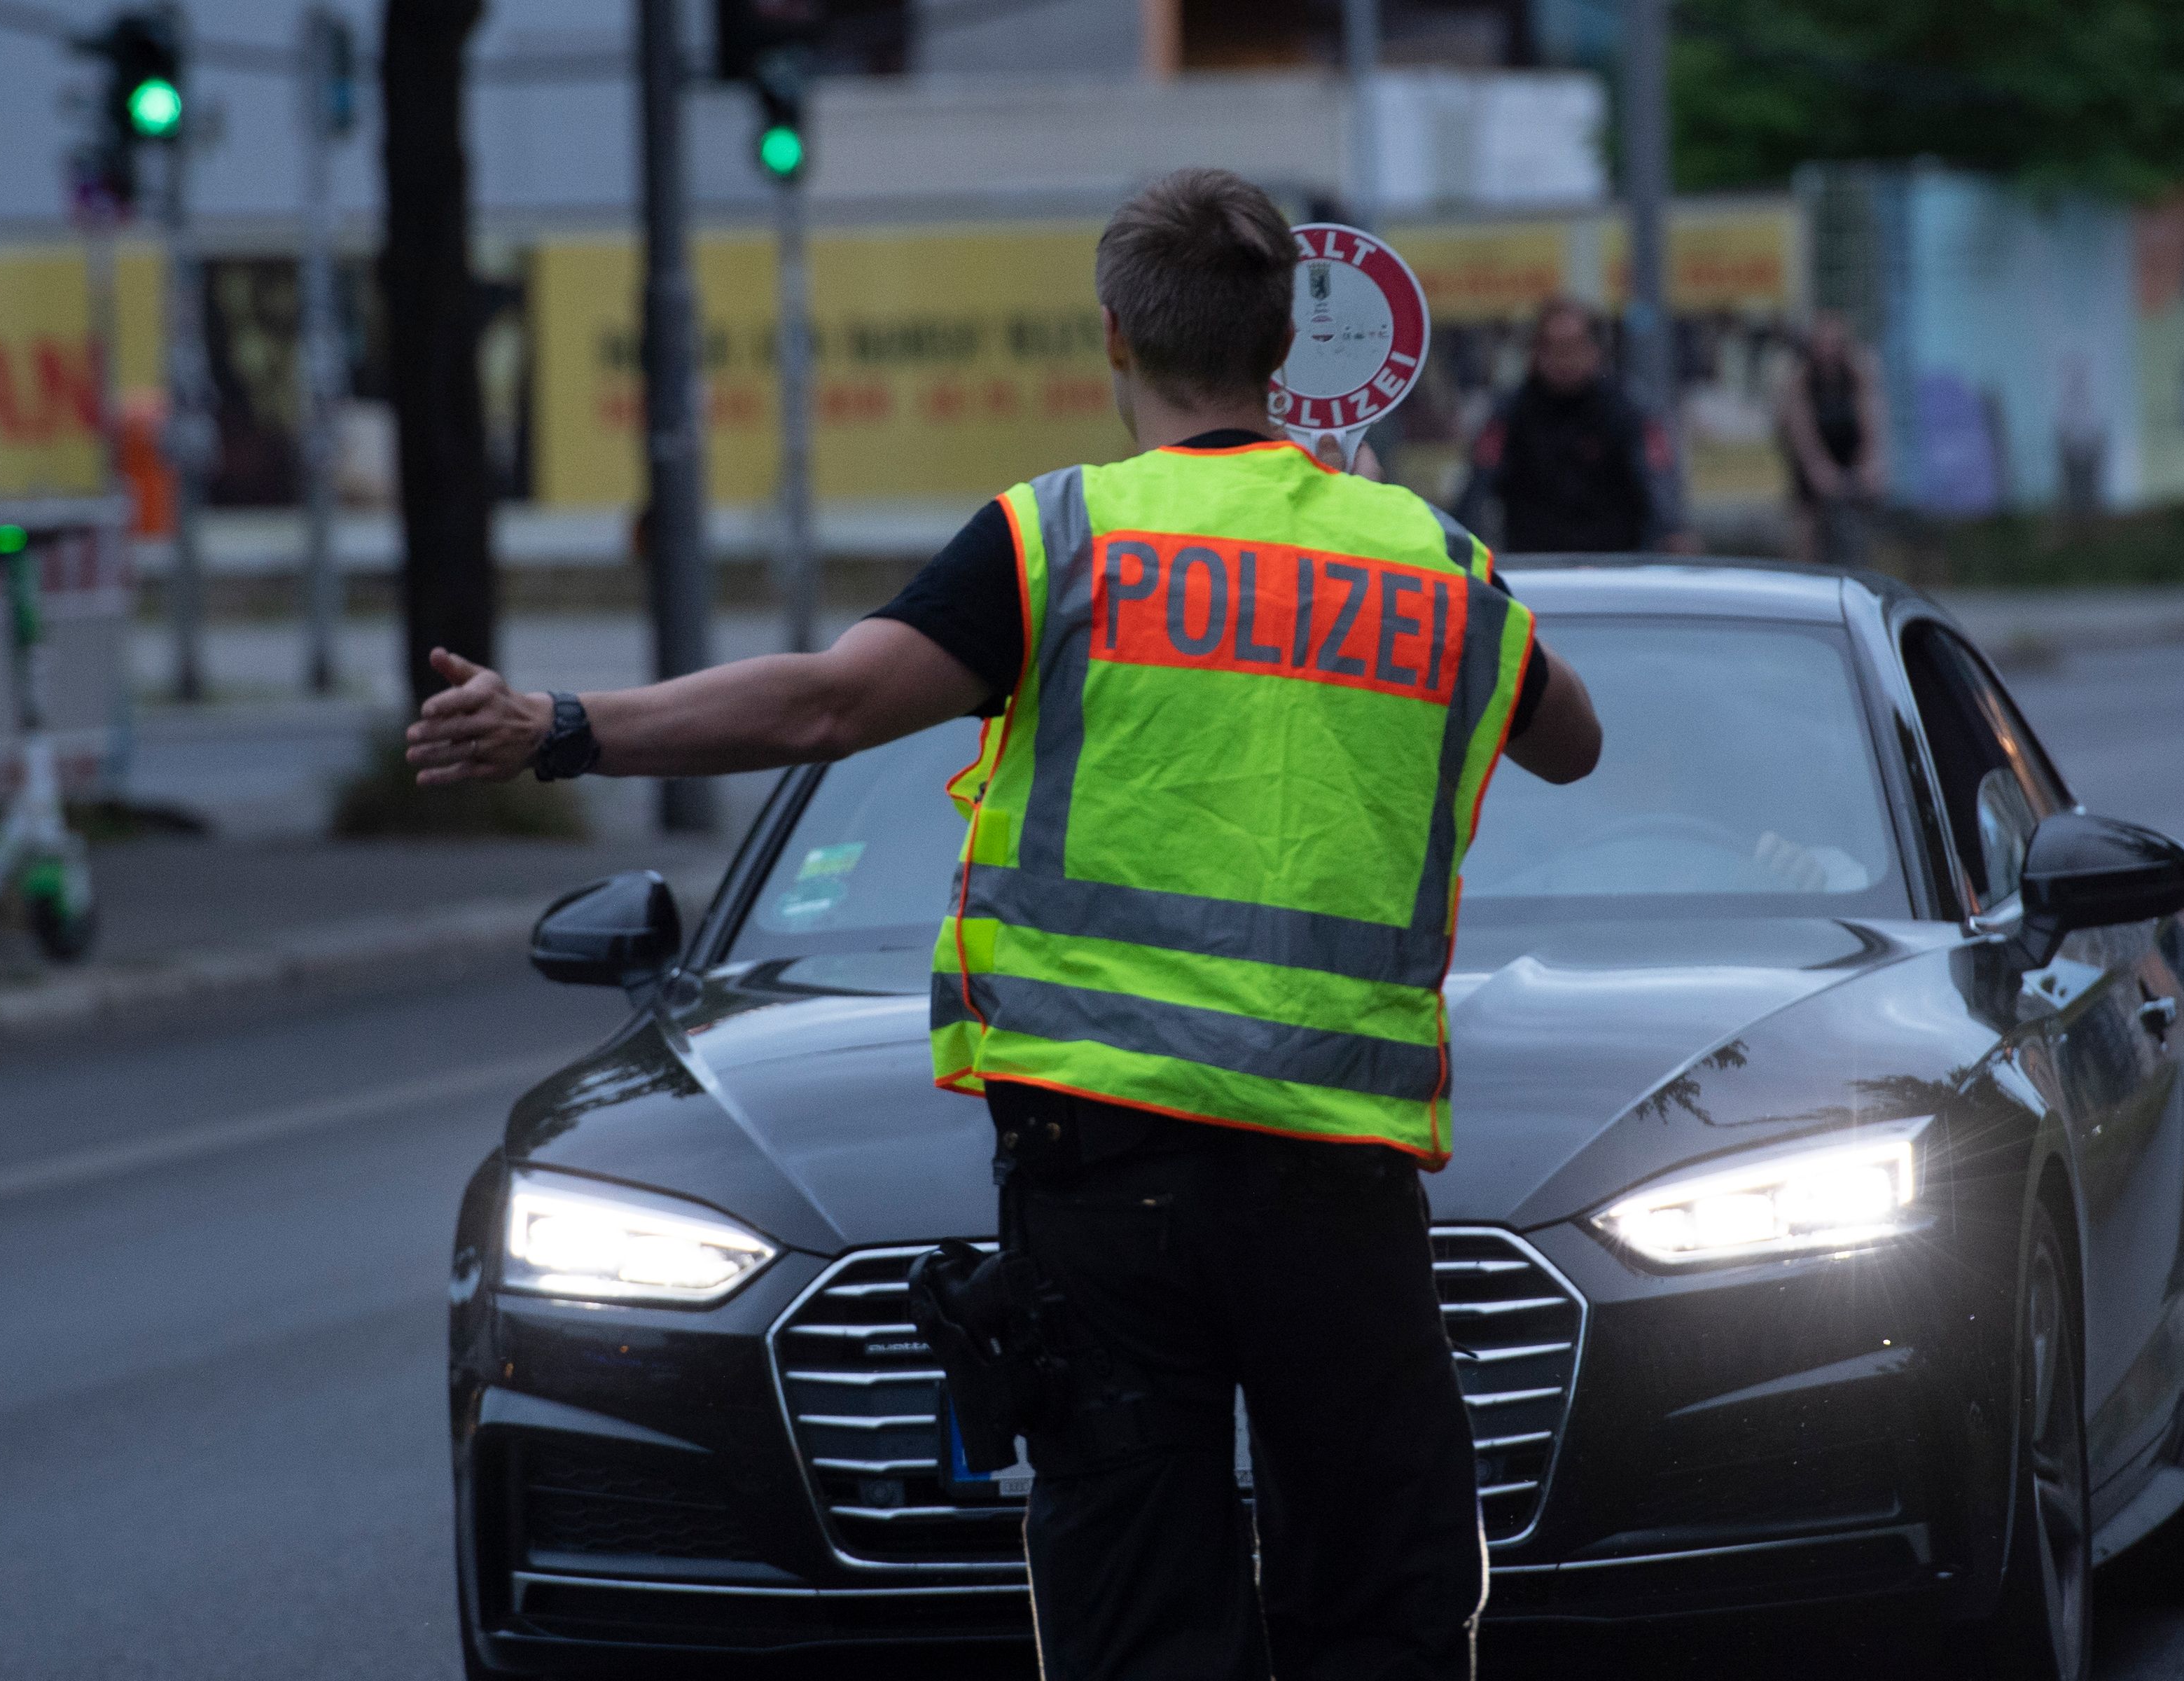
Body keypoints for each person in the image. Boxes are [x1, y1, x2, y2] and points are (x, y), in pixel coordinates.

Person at [404, 167, 1601, 1681]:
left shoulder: (1062, 541)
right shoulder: (1429, 561)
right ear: (1287, 350)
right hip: (1335, 1185)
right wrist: (1376, 519)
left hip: (1105, 1180)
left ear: (1114, 336)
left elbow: (828, 704)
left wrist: (561, 726)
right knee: (1380, 1611)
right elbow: (1571, 742)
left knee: (1139, 1617)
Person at [1470, 296, 1680, 555]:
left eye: (1573, 347)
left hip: (1616, 561)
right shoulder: (1509, 413)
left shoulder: (1627, 409)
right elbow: (1479, 484)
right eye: (1553, 348)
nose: (1564, 360)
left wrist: (1673, 531)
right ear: (1536, 353)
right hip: (1534, 562)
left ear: (1594, 350)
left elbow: (1657, 479)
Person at [1779, 309, 1887, 567]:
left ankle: (1862, 566)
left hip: (1847, 451)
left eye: (1835, 344)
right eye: (1823, 344)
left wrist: (1869, 466)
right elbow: (1805, 438)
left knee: (1862, 515)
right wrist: (1821, 472)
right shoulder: (1801, 382)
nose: (1829, 351)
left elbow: (1871, 427)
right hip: (1812, 457)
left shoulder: (1857, 376)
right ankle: (1806, 568)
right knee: (1808, 522)